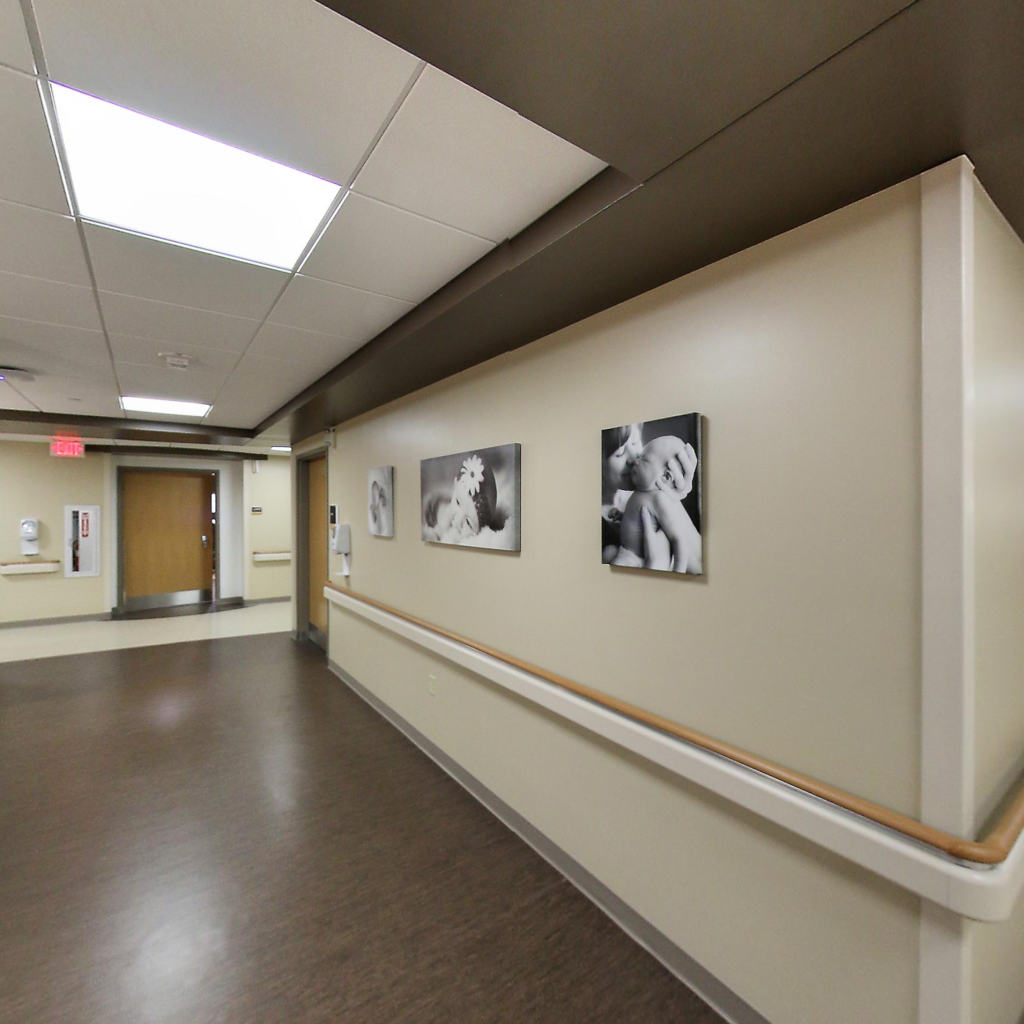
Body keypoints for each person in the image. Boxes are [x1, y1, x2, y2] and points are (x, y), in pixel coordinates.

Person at [610, 434, 702, 574]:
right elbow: (640, 521)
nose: (635, 460)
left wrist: (678, 570)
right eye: (620, 452)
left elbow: (679, 539)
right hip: (627, 551)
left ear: (665, 476)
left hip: (637, 559)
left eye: (644, 459)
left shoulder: (659, 499)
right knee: (608, 552)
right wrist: (622, 516)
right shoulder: (640, 493)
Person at [423, 453, 499, 544]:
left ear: (480, 532)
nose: (457, 519)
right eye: (458, 502)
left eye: (468, 523)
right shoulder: (435, 509)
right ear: (455, 484)